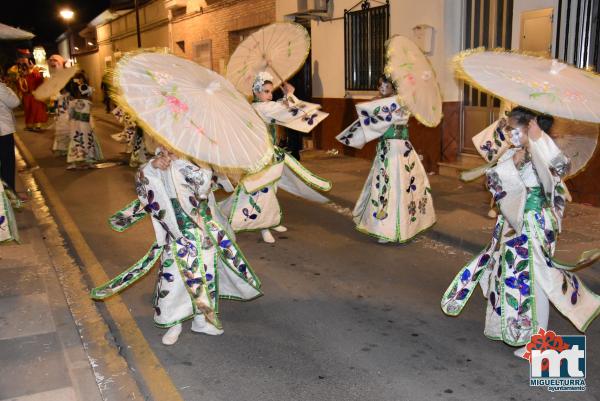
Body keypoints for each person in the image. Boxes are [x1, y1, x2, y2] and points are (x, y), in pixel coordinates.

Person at [441, 106, 600, 356]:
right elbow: (494, 182)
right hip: (513, 223)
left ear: (529, 127)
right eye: (506, 127)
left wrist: (540, 140)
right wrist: (511, 165)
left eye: (512, 128)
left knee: (537, 279)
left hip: (535, 224)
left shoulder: (543, 147)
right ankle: (517, 329)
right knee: (511, 276)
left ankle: (538, 342)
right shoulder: (515, 151)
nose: (507, 132)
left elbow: (560, 169)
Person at [91, 148, 262, 345]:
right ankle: (174, 321)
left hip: (203, 228)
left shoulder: (200, 158)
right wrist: (153, 167)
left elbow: (203, 187)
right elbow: (144, 185)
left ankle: (202, 319)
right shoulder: (160, 159)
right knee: (173, 275)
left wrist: (195, 163)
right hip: (175, 230)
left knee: (205, 274)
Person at [220, 72, 331, 243]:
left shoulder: (260, 105)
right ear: (256, 92)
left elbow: (278, 106)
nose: (270, 94)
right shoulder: (262, 108)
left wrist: (287, 96)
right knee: (264, 192)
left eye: (271, 91)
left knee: (271, 188)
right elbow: (284, 110)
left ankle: (270, 222)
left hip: (267, 154)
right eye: (266, 91)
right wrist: (290, 95)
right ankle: (264, 226)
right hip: (261, 156)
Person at [336, 74, 436, 243]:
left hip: (402, 150)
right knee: (386, 186)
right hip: (387, 149)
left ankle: (407, 226)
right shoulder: (381, 103)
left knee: (405, 187)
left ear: (393, 87)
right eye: (379, 85)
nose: (381, 88)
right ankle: (384, 227)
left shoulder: (402, 102)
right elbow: (368, 123)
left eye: (385, 85)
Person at [66, 79, 103, 169]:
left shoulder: (73, 102)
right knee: (88, 142)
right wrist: (93, 126)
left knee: (76, 142)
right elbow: (90, 116)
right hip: (86, 126)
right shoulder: (89, 103)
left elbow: (69, 114)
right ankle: (90, 162)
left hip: (76, 126)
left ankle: (74, 163)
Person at [16, 50, 48, 131]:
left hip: (34, 95)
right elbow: (21, 86)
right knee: (29, 110)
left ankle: (37, 126)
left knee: (37, 110)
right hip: (27, 96)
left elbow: (40, 81)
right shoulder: (21, 77)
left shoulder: (35, 72)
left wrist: (34, 71)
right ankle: (29, 126)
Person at [0, 77, 20, 192]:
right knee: (7, 164)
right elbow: (14, 102)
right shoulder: (1, 88)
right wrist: (6, 87)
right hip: (3, 131)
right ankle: (9, 196)